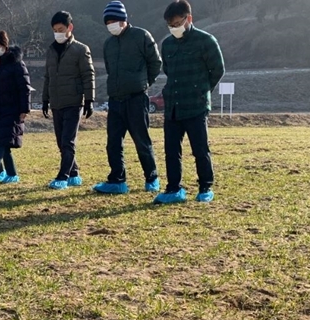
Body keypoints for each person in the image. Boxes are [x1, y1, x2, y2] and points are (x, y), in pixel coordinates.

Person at [154, 0, 225, 204]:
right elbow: (167, 70)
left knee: (200, 149)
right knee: (171, 150)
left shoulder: (206, 40)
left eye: (177, 23)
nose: (174, 28)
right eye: (171, 25)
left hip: (196, 105)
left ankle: (205, 187)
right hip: (173, 105)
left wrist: (202, 91)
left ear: (188, 19)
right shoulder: (166, 44)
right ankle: (174, 189)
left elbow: (217, 70)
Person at [93, 1, 162, 195]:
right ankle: (117, 179)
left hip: (136, 98)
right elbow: (109, 69)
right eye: (108, 22)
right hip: (115, 99)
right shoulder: (108, 44)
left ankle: (152, 177)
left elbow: (155, 62)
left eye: (114, 20)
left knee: (141, 140)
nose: (111, 24)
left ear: (124, 20)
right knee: (113, 142)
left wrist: (144, 83)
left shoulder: (141, 36)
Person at [42, 11, 95, 190]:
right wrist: (45, 99)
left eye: (61, 29)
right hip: (56, 103)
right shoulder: (50, 50)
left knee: (68, 141)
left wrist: (89, 100)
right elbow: (47, 76)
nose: (58, 33)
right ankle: (74, 173)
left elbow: (88, 75)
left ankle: (62, 176)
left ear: (70, 28)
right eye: (55, 30)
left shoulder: (81, 50)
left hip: (73, 102)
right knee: (60, 142)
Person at [0, 30, 32, 184]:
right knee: (3, 142)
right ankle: (12, 174)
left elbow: (25, 87)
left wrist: (24, 109)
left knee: (2, 140)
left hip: (13, 109)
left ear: (4, 46)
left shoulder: (16, 63)